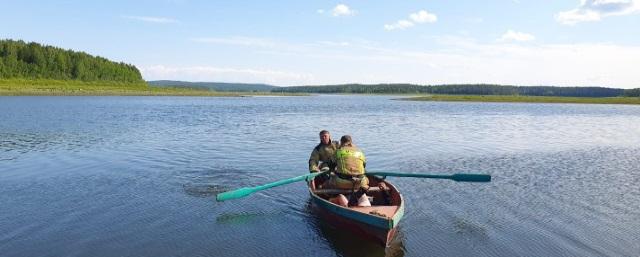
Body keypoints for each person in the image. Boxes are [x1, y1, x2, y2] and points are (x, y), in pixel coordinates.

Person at [325, 135, 371, 207]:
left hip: (342, 183)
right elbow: (364, 166)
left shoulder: (339, 151)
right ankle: (360, 197)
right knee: (367, 180)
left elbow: (331, 165)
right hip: (360, 182)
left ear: (341, 142)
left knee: (330, 181)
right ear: (351, 142)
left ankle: (333, 197)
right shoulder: (360, 152)